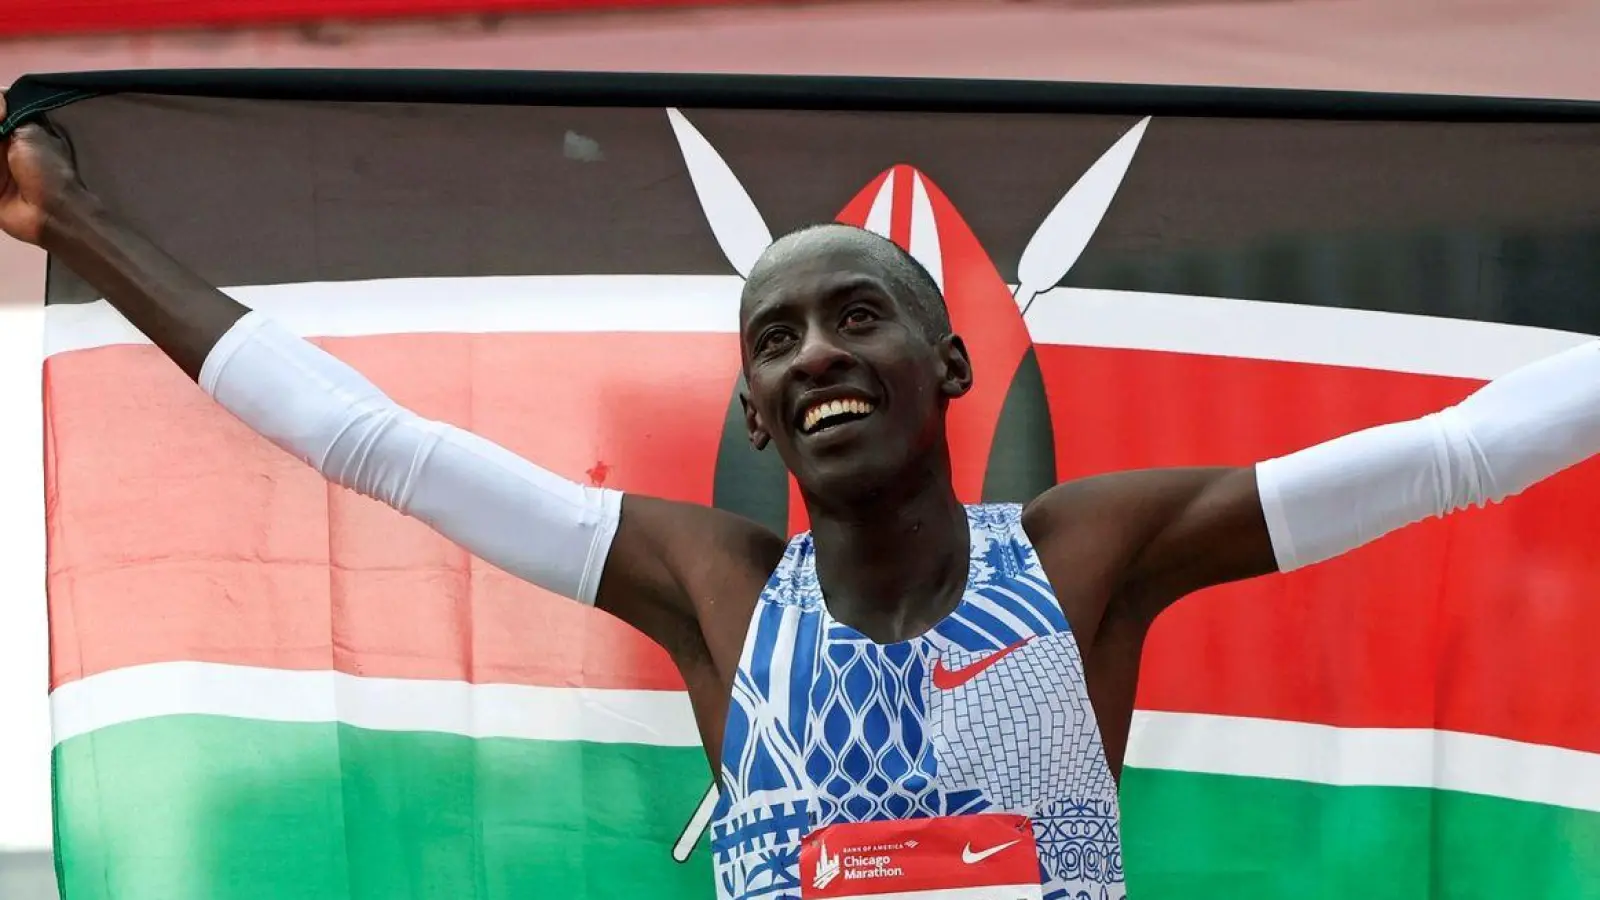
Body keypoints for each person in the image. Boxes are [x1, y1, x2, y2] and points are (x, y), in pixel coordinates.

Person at [4, 92, 1598, 900]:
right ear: (756, 415)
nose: (819, 353)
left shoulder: (1085, 554)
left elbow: (1457, 457)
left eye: (857, 315)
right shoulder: (717, 591)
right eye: (776, 338)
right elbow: (376, 445)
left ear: (949, 363)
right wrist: (76, 231)